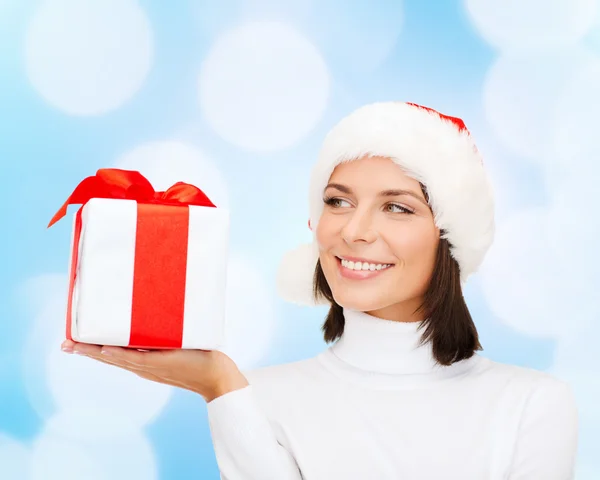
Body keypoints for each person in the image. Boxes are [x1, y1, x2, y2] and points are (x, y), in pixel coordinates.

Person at [61, 101, 579, 479]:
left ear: (450, 240)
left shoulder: (530, 406)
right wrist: (220, 387)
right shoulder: (254, 397)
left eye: (397, 207)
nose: (354, 231)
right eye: (338, 201)